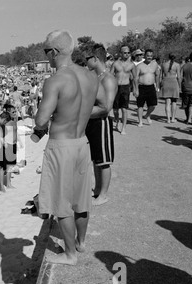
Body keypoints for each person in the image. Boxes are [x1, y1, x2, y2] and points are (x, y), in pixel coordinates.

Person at [35, 30, 98, 266]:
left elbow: (41, 121)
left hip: (62, 145)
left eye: (46, 52)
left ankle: (70, 254)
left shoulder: (56, 80)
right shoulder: (91, 76)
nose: (47, 57)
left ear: (53, 52)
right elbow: (102, 106)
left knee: (62, 203)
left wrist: (45, 113)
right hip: (82, 142)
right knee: (82, 199)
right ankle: (81, 243)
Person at [86, 44, 118, 206]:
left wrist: (81, 112)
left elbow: (107, 107)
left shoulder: (108, 79)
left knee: (104, 160)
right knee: (96, 159)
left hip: (102, 122)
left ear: (96, 59)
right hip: (92, 122)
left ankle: (104, 194)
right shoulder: (95, 77)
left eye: (87, 58)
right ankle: (98, 189)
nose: (86, 62)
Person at [111, 45, 136, 135]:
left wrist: (136, 89)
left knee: (124, 109)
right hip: (116, 87)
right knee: (115, 110)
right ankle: (117, 121)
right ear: (121, 53)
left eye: (128, 53)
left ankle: (124, 127)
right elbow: (110, 76)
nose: (127, 54)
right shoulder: (115, 64)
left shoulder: (132, 65)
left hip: (126, 87)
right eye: (125, 53)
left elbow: (135, 78)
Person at [134, 49, 161, 127]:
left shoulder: (155, 64)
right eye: (148, 56)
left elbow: (157, 75)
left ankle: (147, 115)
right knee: (140, 105)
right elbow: (135, 78)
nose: (149, 57)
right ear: (144, 56)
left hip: (151, 87)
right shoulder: (139, 66)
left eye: (151, 56)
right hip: (141, 87)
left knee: (152, 105)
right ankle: (140, 121)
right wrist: (136, 89)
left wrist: (158, 87)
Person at [3, 105, 21, 189]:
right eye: (13, 112)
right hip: (8, 145)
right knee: (8, 165)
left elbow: (15, 133)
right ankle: (8, 183)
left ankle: (8, 182)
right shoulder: (6, 123)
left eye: (15, 111)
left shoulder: (14, 121)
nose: (15, 113)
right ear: (8, 112)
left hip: (14, 144)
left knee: (11, 165)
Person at [160, 53, 181, 123]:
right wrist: (180, 86)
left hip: (166, 82)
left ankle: (168, 119)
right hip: (174, 82)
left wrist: (160, 84)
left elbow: (161, 76)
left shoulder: (163, 64)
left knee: (167, 102)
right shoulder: (177, 65)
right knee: (174, 102)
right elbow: (179, 77)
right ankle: (173, 118)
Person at [181, 52, 192, 124]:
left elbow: (181, 76)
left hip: (185, 87)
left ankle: (187, 118)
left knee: (186, 104)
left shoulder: (185, 66)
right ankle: (189, 119)